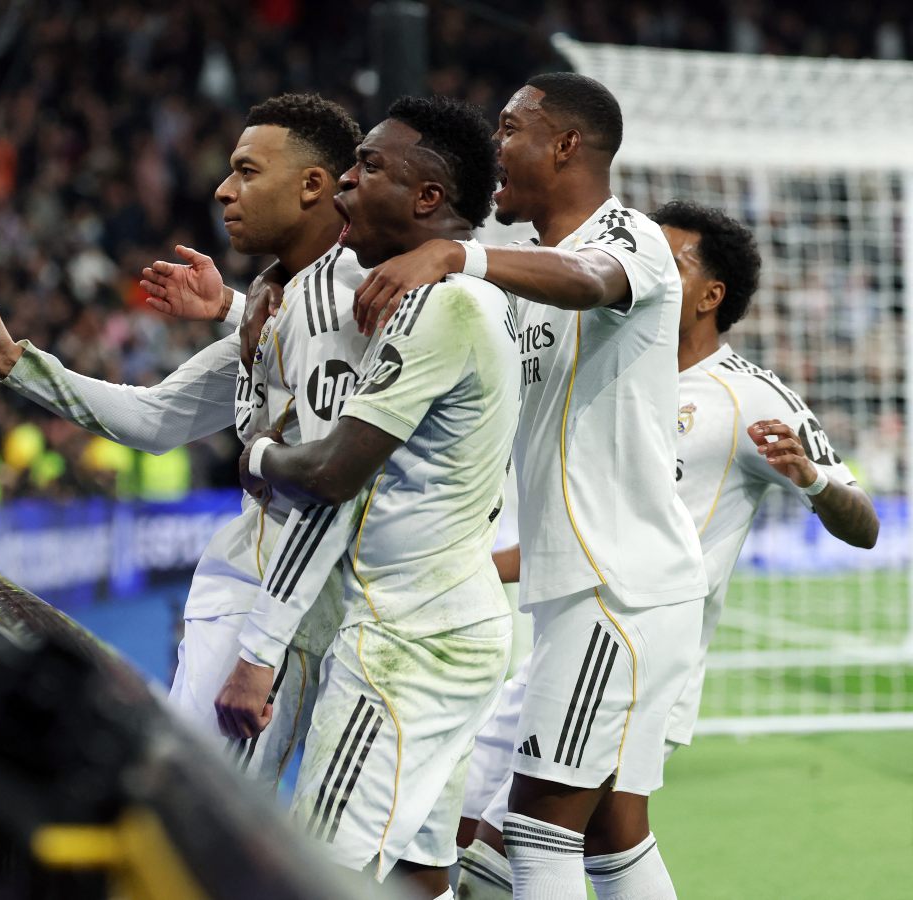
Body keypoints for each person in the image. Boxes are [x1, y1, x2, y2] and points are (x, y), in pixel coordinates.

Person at [453, 202, 880, 898]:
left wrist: (811, 482)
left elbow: (863, 523)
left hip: (642, 645)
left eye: (671, 260)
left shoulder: (746, 397)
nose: (647, 266)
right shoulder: (610, 377)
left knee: (528, 841)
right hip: (571, 636)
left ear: (711, 296)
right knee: (556, 836)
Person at [351, 73, 707, 900]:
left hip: (618, 585)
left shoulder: (632, 237)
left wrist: (455, 251)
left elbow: (590, 281)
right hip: (589, 589)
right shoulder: (527, 274)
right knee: (614, 840)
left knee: (537, 831)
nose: (494, 144)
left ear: (566, 145)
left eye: (509, 127)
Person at [0, 93, 364, 787]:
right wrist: (20, 363)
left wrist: (260, 650)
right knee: (212, 810)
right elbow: (156, 418)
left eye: (247, 171)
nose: (223, 189)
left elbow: (328, 483)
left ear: (312, 185)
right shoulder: (269, 307)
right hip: (251, 585)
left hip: (328, 603)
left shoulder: (372, 298)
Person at [237, 95, 514, 899]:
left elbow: (331, 471)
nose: (346, 186)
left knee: (320, 875)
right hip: (447, 628)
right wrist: (259, 289)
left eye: (369, 168)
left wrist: (258, 452)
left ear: (428, 199)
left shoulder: (445, 304)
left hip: (407, 641)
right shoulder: (439, 299)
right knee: (423, 876)